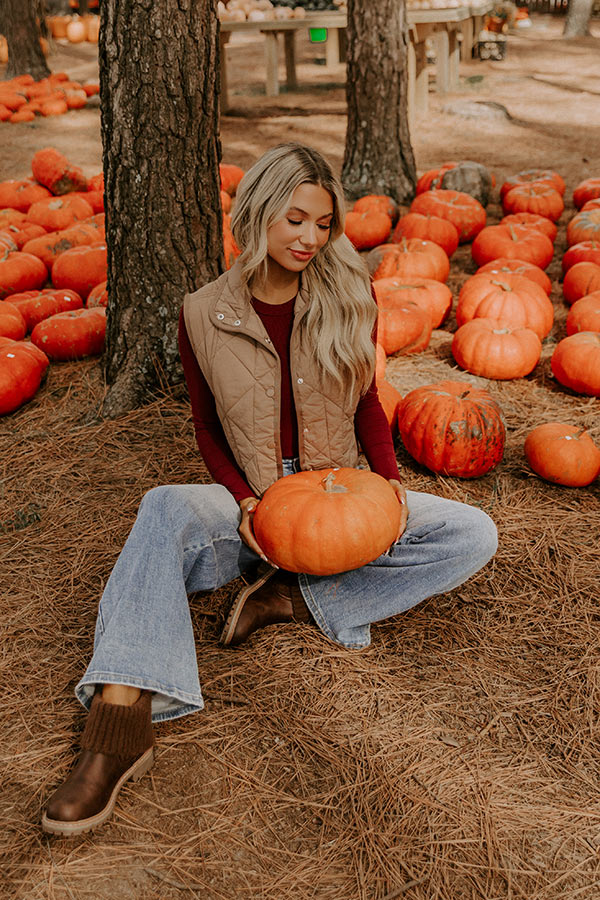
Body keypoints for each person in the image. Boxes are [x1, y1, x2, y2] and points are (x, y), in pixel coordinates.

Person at [42, 143, 498, 836]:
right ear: (256, 213)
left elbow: (369, 407)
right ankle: (117, 724)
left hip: (342, 493)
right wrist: (248, 503)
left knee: (473, 533)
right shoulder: (202, 313)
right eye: (294, 220)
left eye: (322, 224)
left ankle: (295, 595)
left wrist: (391, 486)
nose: (310, 238)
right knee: (164, 507)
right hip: (252, 503)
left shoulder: (349, 294)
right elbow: (207, 432)